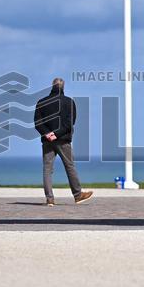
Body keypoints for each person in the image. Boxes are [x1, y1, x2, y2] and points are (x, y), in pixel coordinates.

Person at [33, 78, 93, 207]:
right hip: (63, 140)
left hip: (47, 140)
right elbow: (70, 123)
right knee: (69, 166)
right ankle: (78, 195)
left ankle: (50, 199)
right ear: (63, 86)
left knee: (47, 169)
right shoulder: (69, 102)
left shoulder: (41, 102)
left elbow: (37, 123)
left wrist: (48, 134)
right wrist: (57, 134)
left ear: (52, 86)